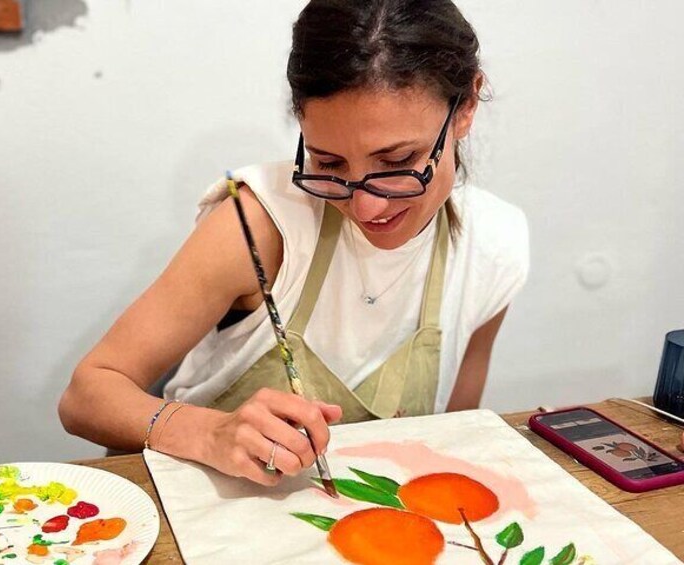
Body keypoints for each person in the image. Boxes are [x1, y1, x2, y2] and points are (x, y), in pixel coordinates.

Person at [59, 0, 529, 487]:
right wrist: (207, 432)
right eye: (328, 164)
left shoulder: (493, 248)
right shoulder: (259, 224)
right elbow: (86, 394)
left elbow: (449, 437)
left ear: (467, 105)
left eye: (397, 161)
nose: (366, 208)